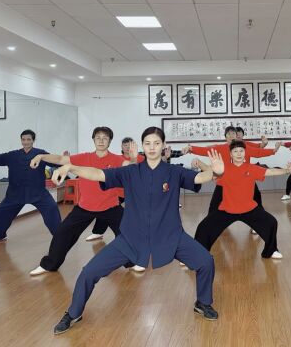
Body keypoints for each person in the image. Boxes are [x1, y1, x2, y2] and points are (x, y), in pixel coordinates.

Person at [51, 127, 223, 335]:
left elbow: (199, 179)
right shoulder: (130, 171)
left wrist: (215, 170)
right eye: (148, 144)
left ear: (163, 146)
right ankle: (73, 312)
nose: (152, 147)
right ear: (143, 146)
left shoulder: (174, 172)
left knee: (205, 261)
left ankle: (203, 303)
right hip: (131, 238)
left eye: (156, 143)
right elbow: (97, 173)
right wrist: (70, 166)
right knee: (89, 272)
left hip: (170, 235)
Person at [28, 127, 138, 276]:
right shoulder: (84, 157)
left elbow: (132, 170)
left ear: (110, 141)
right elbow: (61, 159)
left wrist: (133, 159)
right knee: (62, 233)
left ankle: (132, 262)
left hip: (110, 206)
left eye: (105, 138)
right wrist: (41, 156)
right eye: (97, 137)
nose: (101, 140)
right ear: (93, 140)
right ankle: (49, 265)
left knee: (128, 232)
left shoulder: (117, 160)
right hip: (85, 206)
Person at [195, 140, 290, 259]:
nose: (239, 153)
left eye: (241, 151)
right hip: (226, 210)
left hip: (249, 209)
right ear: (230, 154)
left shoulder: (252, 168)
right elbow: (210, 172)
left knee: (271, 222)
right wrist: (199, 163)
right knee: (203, 227)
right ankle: (197, 254)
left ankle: (270, 251)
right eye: (235, 151)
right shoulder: (224, 169)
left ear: (245, 153)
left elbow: (269, 171)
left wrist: (286, 171)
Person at [0, 130, 62, 243]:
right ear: (21, 140)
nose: (26, 142)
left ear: (33, 140)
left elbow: (56, 161)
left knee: (52, 208)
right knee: (0, 211)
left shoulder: (41, 154)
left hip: (38, 192)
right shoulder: (13, 155)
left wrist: (66, 160)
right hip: (15, 193)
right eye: (23, 139)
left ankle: (60, 237)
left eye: (28, 139)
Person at [183, 126, 277, 213]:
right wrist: (191, 148)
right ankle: (212, 225)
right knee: (214, 206)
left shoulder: (243, 148)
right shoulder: (221, 148)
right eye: (229, 134)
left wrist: (273, 151)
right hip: (225, 181)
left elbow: (258, 152)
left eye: (233, 134)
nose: (231, 136)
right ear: (225, 137)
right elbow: (206, 151)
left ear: (237, 136)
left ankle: (257, 222)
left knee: (256, 198)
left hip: (245, 179)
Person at [86, 137, 144, 242]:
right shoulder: (117, 158)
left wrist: (165, 158)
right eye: (125, 145)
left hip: (136, 191)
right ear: (122, 147)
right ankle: (98, 232)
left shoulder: (141, 158)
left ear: (134, 146)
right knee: (107, 208)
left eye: (129, 145)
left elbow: (155, 165)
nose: (127, 147)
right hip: (119, 191)